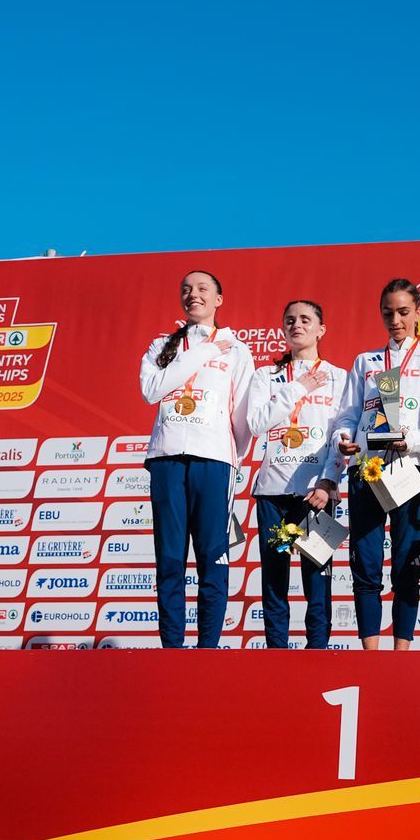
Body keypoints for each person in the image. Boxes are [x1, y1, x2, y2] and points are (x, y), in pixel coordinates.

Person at [138, 270, 255, 649]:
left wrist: (231, 457)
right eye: (186, 289)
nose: (193, 295)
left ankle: (208, 650)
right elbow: (151, 390)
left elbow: (242, 415)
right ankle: (172, 648)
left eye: (203, 289)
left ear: (218, 299)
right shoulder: (162, 344)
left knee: (212, 557)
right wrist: (204, 349)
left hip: (214, 461)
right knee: (170, 558)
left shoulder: (237, 349)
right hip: (167, 458)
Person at [333, 279, 420, 650]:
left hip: (412, 466)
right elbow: (348, 414)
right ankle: (371, 656)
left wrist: (413, 441)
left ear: (418, 313)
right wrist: (343, 438)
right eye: (388, 313)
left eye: (403, 312)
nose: (395, 321)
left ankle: (401, 655)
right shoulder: (366, 361)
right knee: (365, 562)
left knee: (407, 562)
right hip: (366, 466)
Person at [246, 300, 348, 648]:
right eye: (290, 320)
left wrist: (328, 482)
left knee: (317, 577)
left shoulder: (339, 377)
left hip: (315, 493)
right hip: (272, 492)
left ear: (321, 330)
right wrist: (299, 387)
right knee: (274, 578)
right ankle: (276, 652)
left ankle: (317, 651)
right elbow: (257, 423)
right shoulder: (266, 376)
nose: (297, 325)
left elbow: (341, 433)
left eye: (306, 320)